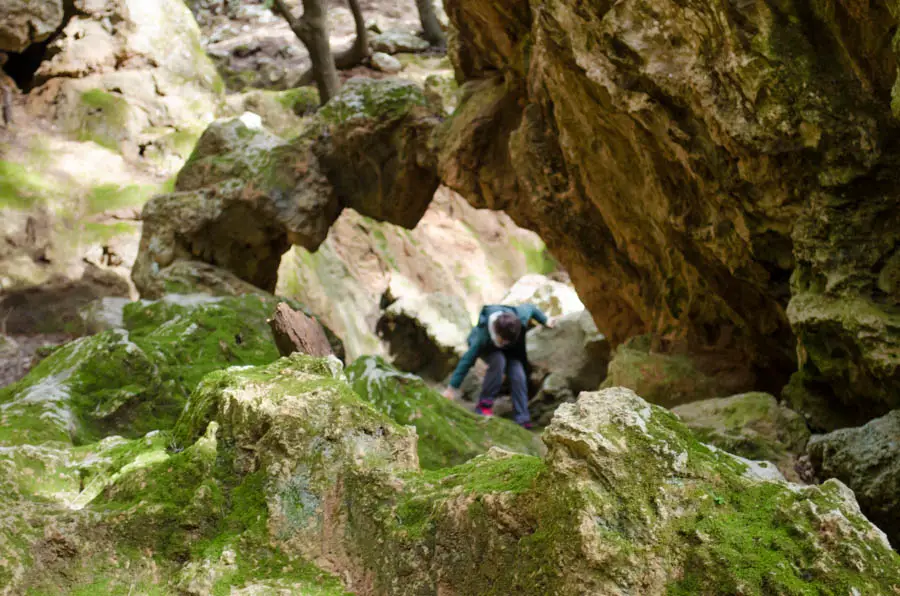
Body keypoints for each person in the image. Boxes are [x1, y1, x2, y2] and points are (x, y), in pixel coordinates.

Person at [442, 304, 553, 428]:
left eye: (507, 341)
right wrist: (451, 388)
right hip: (489, 348)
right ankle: (484, 404)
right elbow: (467, 361)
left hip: (510, 351)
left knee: (518, 373)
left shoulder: (520, 317)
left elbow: (530, 308)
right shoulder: (482, 337)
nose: (504, 343)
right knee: (498, 361)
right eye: (502, 340)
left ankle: (522, 417)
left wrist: (545, 320)